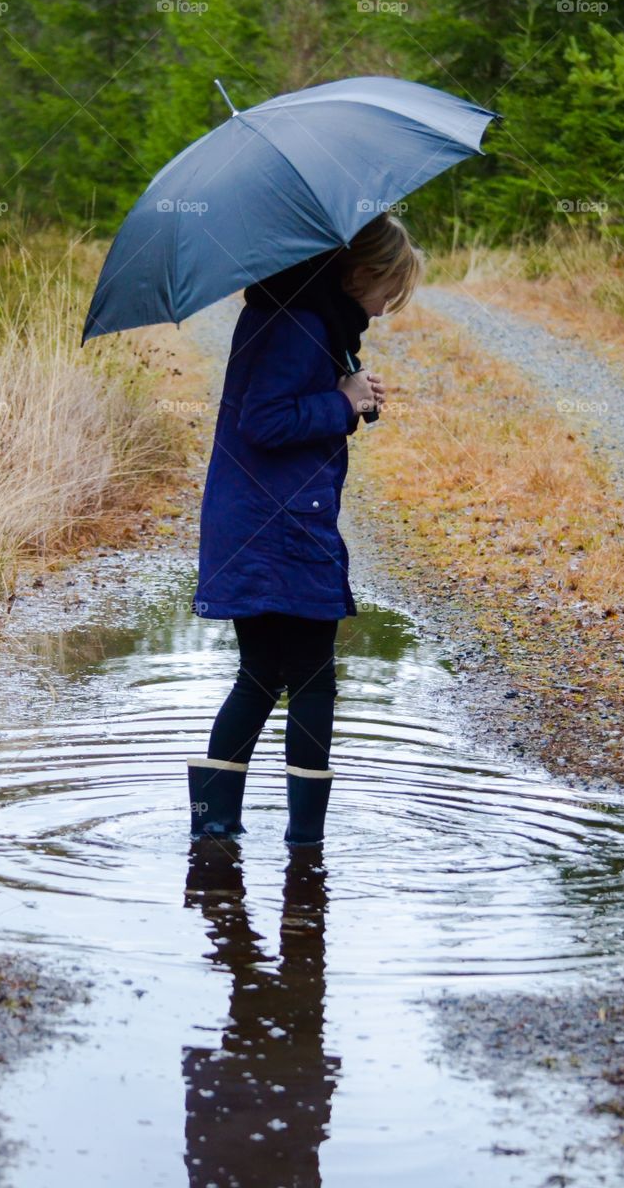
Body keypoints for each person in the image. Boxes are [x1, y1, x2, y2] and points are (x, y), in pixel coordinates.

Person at [189, 212, 424, 844]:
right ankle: (305, 843)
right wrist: (341, 401)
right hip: (280, 526)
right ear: (356, 276)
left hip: (264, 518)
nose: (382, 310)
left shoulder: (298, 312)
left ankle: (215, 832)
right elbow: (264, 423)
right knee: (312, 676)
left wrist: (347, 391)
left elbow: (285, 406)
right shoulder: (300, 321)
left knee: (263, 673)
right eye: (385, 294)